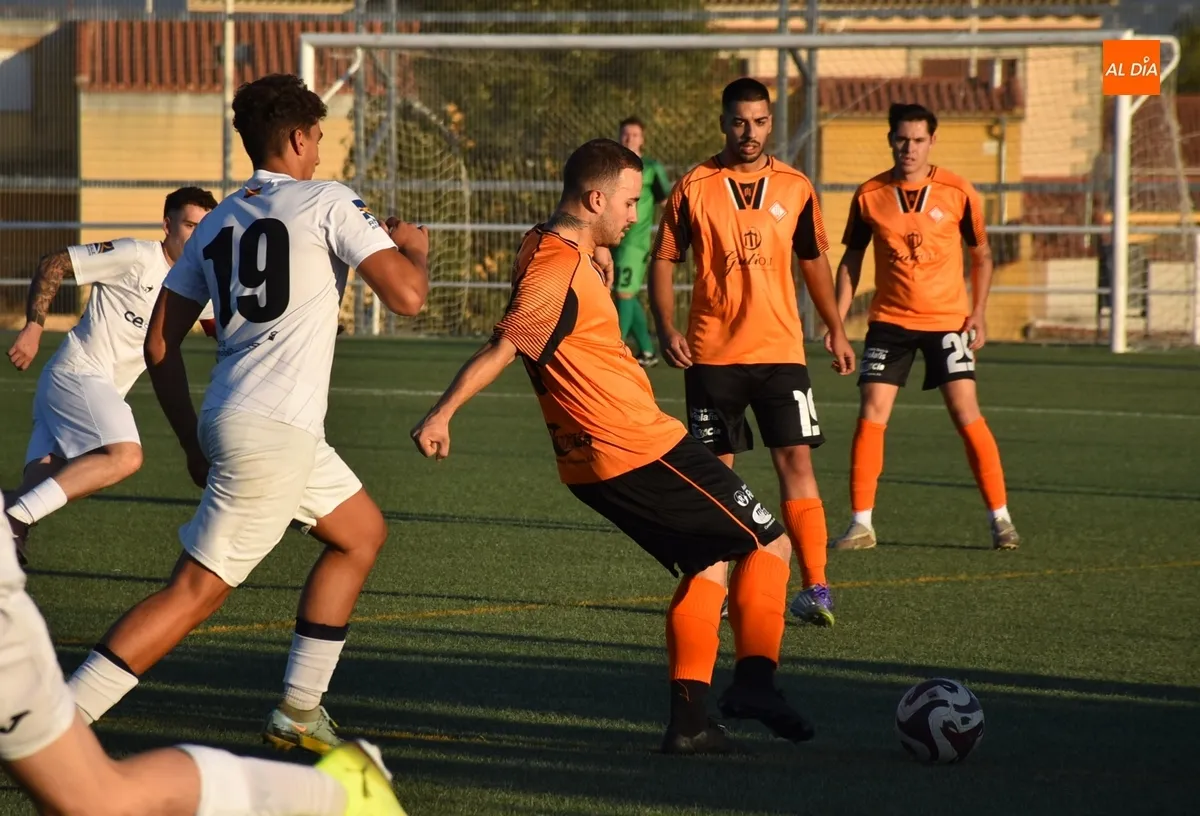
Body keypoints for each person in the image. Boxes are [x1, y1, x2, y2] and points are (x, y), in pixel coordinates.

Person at [412, 138, 818, 755]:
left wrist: (593, 253)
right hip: (637, 445)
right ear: (596, 199)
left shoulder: (546, 245)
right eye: (629, 203)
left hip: (592, 459)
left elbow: (556, 260)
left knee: (709, 561)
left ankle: (690, 724)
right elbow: (506, 344)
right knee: (769, 543)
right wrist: (441, 413)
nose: (635, 216)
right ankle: (757, 684)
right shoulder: (555, 268)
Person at [64, 73, 430, 755]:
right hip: (275, 432)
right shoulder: (327, 200)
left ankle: (299, 709)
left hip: (241, 418)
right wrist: (416, 250)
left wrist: (190, 443)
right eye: (317, 136)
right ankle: (54, 729)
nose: (320, 151)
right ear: (297, 137)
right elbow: (408, 297)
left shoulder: (217, 221)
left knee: (360, 534)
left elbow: (159, 343)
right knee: (193, 592)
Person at [0, 498, 408, 816]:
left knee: (93, 801)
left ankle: (335, 789)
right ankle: (319, 751)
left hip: (281, 433)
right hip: (268, 430)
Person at [649, 78, 855, 626]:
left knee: (796, 460)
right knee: (715, 474)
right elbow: (664, 259)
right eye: (740, 121)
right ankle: (716, 587)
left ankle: (816, 587)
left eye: (760, 121)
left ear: (770, 123)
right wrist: (665, 326)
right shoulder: (694, 186)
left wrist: (835, 327)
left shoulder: (796, 185)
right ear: (723, 123)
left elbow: (813, 260)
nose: (750, 132)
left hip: (781, 350)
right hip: (712, 354)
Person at [827, 102, 1019, 551]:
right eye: (901, 139)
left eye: (917, 140)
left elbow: (982, 255)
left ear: (932, 141)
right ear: (890, 139)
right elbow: (851, 259)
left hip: (948, 321)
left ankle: (1001, 519)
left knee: (966, 411)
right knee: (871, 411)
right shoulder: (869, 195)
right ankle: (861, 524)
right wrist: (836, 321)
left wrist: (979, 311)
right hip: (889, 322)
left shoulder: (957, 190)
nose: (909, 148)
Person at [4, 188, 218, 564]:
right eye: (189, 225)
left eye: (205, 228)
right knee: (125, 456)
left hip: (87, 391)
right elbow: (54, 263)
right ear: (167, 225)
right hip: (76, 376)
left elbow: (225, 332)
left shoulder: (197, 283)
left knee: (36, 490)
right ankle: (12, 522)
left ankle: (10, 515)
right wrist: (34, 328)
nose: (196, 236)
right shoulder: (136, 255)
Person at [612, 116, 672, 366]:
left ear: (642, 139)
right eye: (626, 134)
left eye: (635, 135)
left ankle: (613, 349)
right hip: (612, 239)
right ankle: (647, 351)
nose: (630, 139)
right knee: (624, 293)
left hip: (634, 242)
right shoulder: (611, 166)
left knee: (623, 292)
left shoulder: (651, 168)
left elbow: (667, 203)